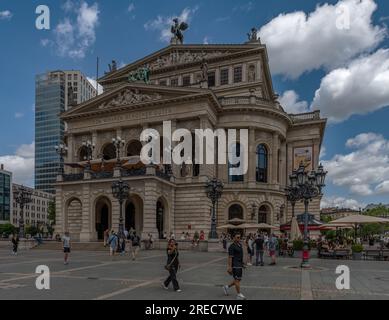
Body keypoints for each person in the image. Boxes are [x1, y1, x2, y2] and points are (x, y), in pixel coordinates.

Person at [223, 233, 246, 300]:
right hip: (235, 265)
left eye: (239, 237)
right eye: (237, 237)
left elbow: (240, 256)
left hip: (239, 265)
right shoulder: (232, 247)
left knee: (238, 280)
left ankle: (226, 287)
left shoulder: (239, 245)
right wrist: (230, 267)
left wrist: (242, 264)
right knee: (237, 280)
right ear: (234, 238)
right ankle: (238, 294)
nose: (239, 238)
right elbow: (230, 257)